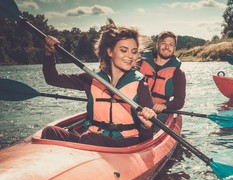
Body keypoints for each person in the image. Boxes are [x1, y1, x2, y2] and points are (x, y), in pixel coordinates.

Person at [41, 19, 156, 147]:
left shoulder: (140, 85)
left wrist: (147, 125)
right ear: (110, 52)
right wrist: (49, 53)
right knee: (50, 131)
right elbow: (52, 78)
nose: (130, 56)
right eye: (124, 50)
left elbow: (147, 138)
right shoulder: (92, 79)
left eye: (134, 52)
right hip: (92, 137)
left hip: (125, 143)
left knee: (89, 139)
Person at [139, 31, 186, 119]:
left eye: (171, 45)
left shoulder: (178, 73)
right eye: (163, 43)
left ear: (174, 48)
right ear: (157, 45)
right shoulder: (140, 63)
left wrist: (164, 105)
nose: (167, 47)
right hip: (136, 107)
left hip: (159, 113)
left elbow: (179, 101)